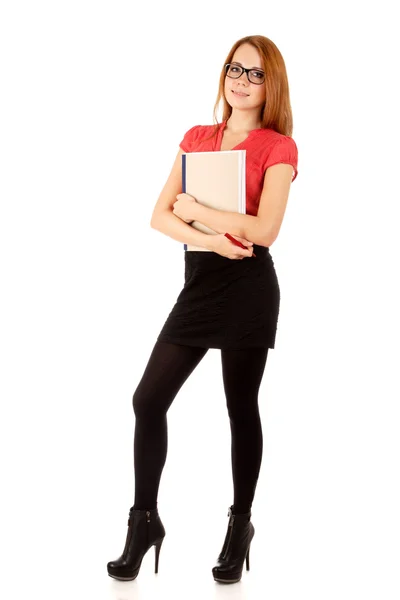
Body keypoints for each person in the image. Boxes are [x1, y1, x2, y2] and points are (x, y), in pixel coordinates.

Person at [107, 34, 298, 585]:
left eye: (255, 74)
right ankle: (143, 523)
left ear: (272, 84)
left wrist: (200, 210)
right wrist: (210, 236)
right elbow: (160, 216)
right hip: (201, 281)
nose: (241, 80)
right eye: (234, 69)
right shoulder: (196, 137)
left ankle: (240, 527)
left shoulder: (278, 147)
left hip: (249, 288)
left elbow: (266, 231)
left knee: (241, 406)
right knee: (148, 399)